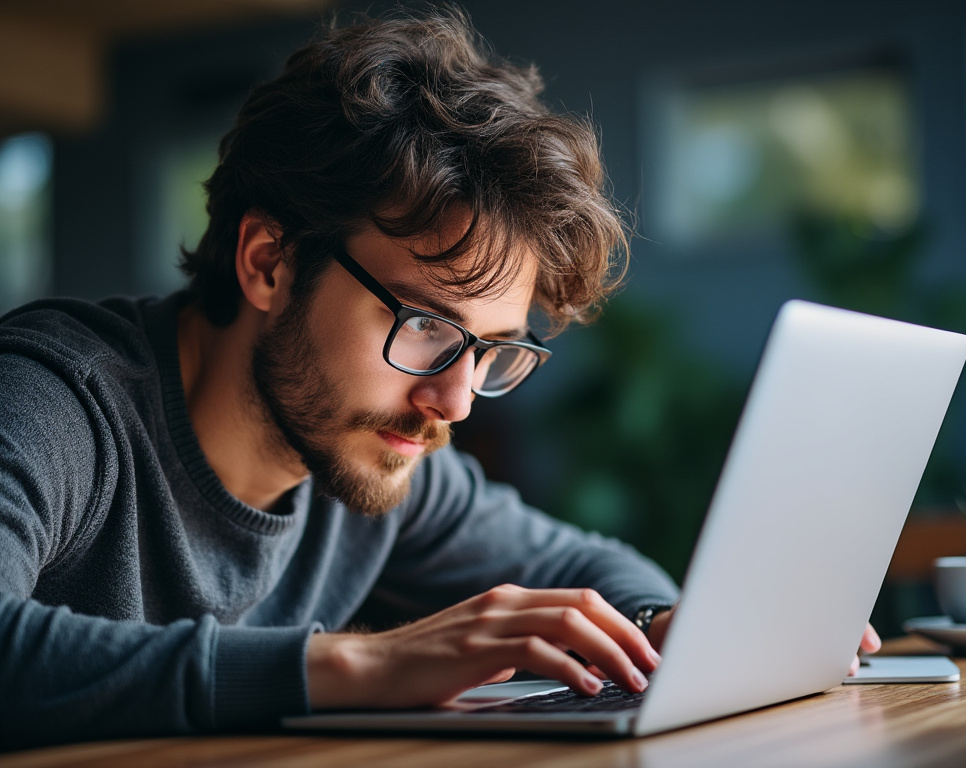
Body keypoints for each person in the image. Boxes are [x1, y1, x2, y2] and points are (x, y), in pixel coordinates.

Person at [0, 6, 879, 751]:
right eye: (423, 325)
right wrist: (359, 664)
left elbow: (580, 564)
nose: (453, 401)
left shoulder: (370, 458)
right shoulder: (54, 398)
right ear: (269, 262)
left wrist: (658, 628)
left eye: (494, 349)